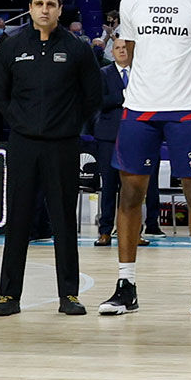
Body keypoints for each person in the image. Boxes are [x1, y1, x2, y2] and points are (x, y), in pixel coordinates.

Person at [103, 0, 191, 317]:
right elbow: (130, 52)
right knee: (131, 193)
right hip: (141, 108)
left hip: (188, 108)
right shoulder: (133, 0)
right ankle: (125, 283)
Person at [0, 0, 101, 318]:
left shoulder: (77, 48)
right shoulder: (12, 45)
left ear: (60, 9)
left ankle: (69, 295)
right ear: (31, 7)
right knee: (18, 219)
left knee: (64, 220)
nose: (45, 9)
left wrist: (68, 123)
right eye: (38, 4)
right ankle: (9, 295)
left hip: (63, 145)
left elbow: (92, 96)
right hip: (23, 144)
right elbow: (0, 94)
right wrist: (21, 123)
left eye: (51, 4)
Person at [89, 42, 126, 248]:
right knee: (109, 186)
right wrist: (122, 97)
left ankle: (131, 232)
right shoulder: (103, 73)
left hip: (134, 137)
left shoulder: (141, 73)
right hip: (108, 137)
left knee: (131, 189)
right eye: (118, 47)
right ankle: (105, 231)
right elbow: (97, 101)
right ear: (112, 51)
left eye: (125, 47)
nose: (122, 50)